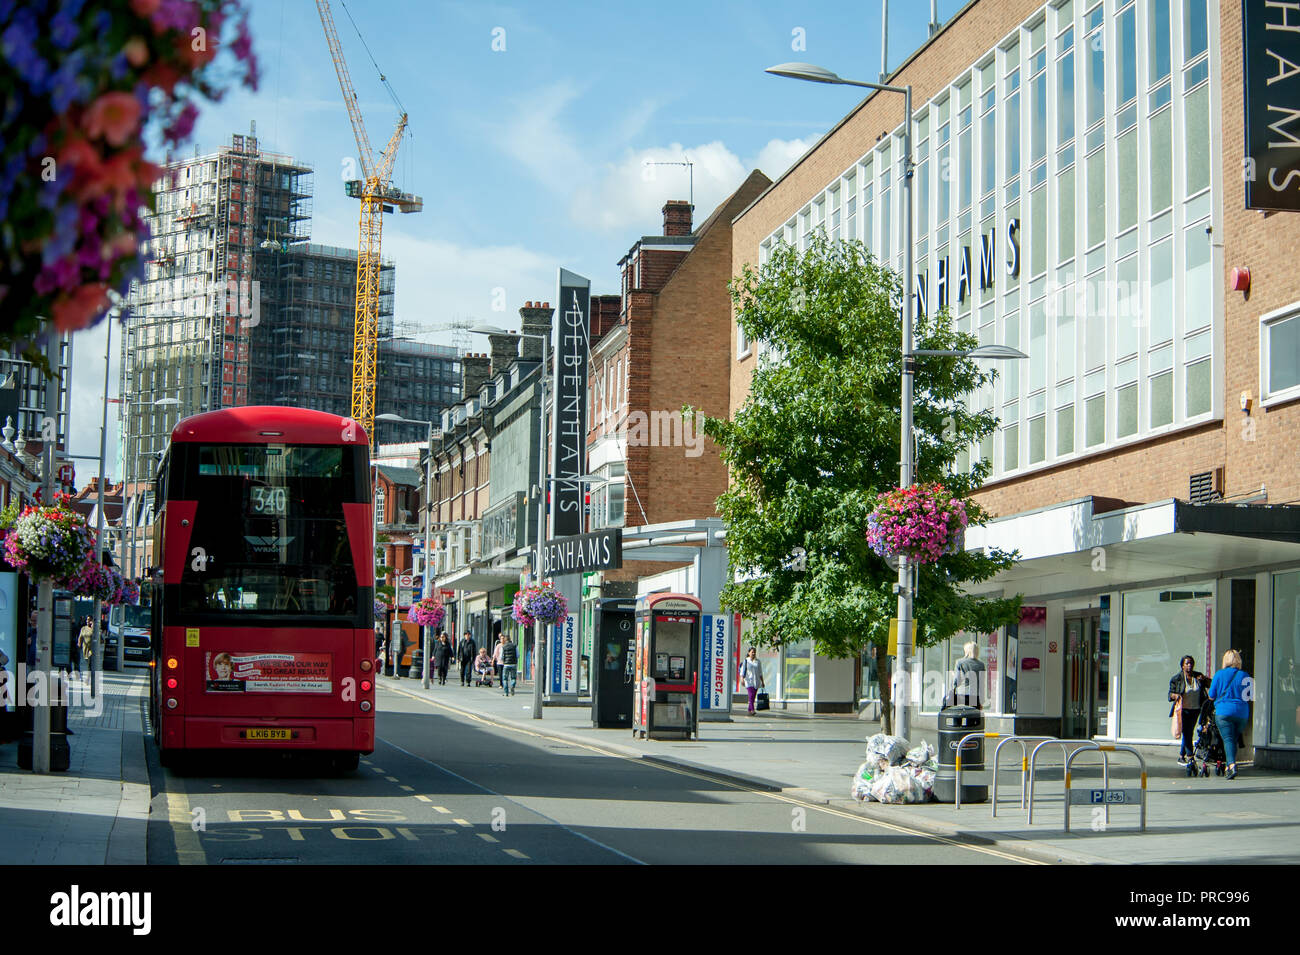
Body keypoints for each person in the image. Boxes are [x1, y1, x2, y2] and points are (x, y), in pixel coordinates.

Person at [1208, 648, 1252, 780]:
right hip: (1241, 713)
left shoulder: (1219, 675)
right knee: (1232, 739)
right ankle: (1229, 765)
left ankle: (1231, 765)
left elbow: (1211, 695)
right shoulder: (1245, 675)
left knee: (1228, 739)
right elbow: (1250, 696)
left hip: (1223, 711)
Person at [1169, 655, 1211, 765]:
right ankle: (1190, 756)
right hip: (1183, 710)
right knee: (1187, 733)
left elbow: (1210, 684)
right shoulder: (1177, 679)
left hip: (1196, 709)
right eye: (1187, 663)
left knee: (1189, 732)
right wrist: (1175, 695)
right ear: (1182, 666)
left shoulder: (1197, 676)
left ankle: (1181, 756)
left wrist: (1204, 679)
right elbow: (1170, 694)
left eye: (1191, 663)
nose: (1189, 665)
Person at [953, 642, 986, 708]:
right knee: (973, 717)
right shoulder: (981, 664)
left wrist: (953, 691)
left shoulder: (959, 662)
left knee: (958, 715)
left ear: (966, 651)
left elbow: (956, 680)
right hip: (975, 695)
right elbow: (981, 684)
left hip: (961, 693)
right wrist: (981, 700)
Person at [1276, 657, 1298, 745]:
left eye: (1292, 664)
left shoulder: (1293, 679)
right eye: (1289, 664)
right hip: (1279, 711)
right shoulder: (1276, 679)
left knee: (1290, 736)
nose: (1291, 666)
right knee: (1275, 734)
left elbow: (1297, 694)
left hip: (1291, 711)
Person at [739, 647, 764, 715]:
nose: (753, 653)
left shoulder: (758, 661)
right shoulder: (746, 661)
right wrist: (742, 679)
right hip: (748, 681)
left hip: (756, 681)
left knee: (753, 696)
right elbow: (742, 671)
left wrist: (762, 682)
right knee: (751, 695)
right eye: (752, 652)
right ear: (749, 653)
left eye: (754, 652)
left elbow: (760, 672)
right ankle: (752, 710)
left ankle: (749, 709)